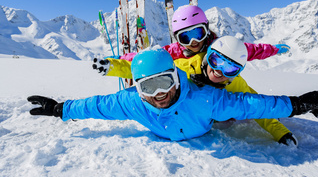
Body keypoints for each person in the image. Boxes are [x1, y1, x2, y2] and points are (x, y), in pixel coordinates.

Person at [28, 48, 318, 142]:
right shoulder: (131, 102)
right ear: (137, 89)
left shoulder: (202, 97)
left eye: (165, 82)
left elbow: (252, 104)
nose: (160, 94)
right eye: (149, 87)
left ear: (177, 77)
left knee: (230, 113)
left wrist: (298, 104)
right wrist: (60, 109)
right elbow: (96, 106)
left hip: (208, 122)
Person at [94, 37, 297, 145]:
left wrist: (281, 132)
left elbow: (257, 108)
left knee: (230, 116)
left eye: (230, 69)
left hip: (213, 118)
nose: (219, 72)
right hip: (189, 115)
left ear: (238, 72)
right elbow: (149, 71)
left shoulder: (236, 85)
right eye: (216, 61)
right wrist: (113, 67)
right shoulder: (183, 66)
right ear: (208, 56)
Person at [118, 5, 290, 61]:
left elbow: (250, 50)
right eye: (185, 37)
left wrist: (273, 49)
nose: (193, 41)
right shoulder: (175, 51)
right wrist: (121, 59)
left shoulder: (220, 47)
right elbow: (149, 57)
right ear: (178, 40)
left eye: (198, 33)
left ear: (207, 30)